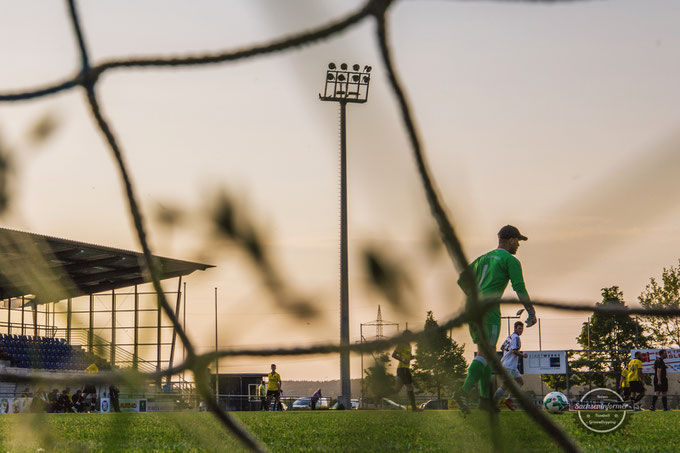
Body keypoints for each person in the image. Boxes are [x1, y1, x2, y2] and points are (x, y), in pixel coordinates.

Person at [455, 225, 537, 414]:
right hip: (489, 309)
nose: (518, 245)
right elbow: (519, 287)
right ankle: (463, 392)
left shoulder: (483, 258)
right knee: (485, 354)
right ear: (510, 240)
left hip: (472, 307)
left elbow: (462, 280)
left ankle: (485, 401)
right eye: (517, 241)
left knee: (486, 353)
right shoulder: (511, 260)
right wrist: (530, 311)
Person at [493, 321, 528, 411]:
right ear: (515, 328)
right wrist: (523, 355)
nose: (521, 330)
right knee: (505, 385)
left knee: (520, 382)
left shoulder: (510, 337)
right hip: (509, 365)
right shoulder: (516, 338)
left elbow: (502, 347)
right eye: (519, 328)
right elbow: (514, 351)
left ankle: (509, 399)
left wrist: (506, 354)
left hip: (510, 365)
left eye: (522, 329)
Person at [391, 330, 419, 412]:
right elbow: (393, 355)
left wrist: (414, 357)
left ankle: (378, 396)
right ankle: (414, 408)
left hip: (404, 369)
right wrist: (403, 359)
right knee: (410, 387)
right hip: (402, 368)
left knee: (397, 389)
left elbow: (409, 357)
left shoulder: (409, 345)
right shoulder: (401, 345)